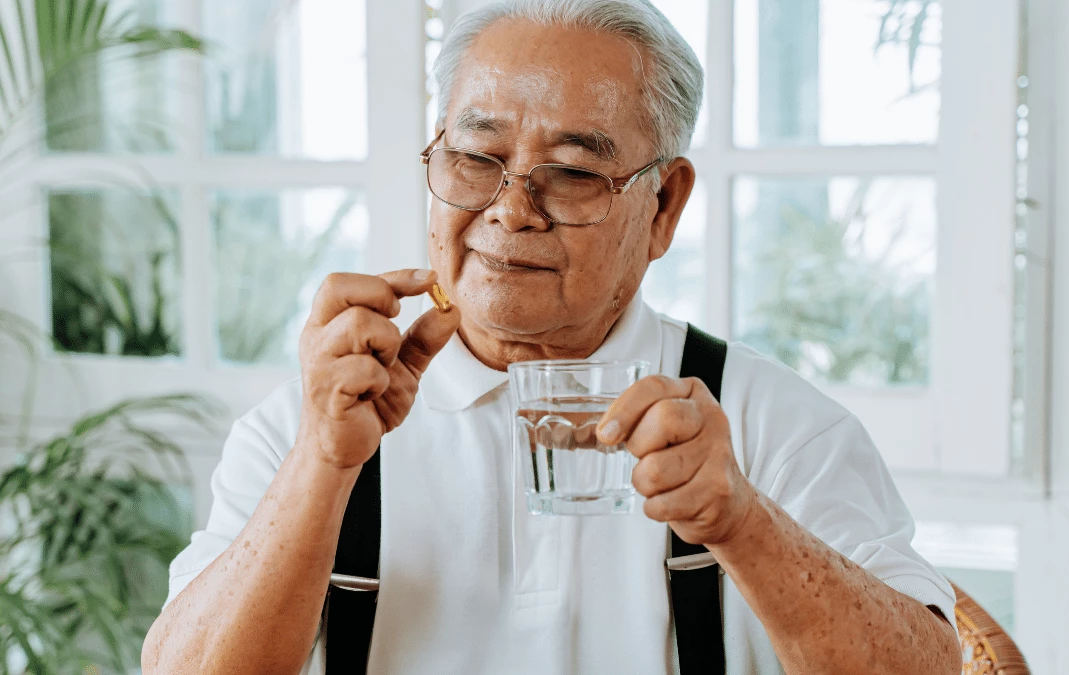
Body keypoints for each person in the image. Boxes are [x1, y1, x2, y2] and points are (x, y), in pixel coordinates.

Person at [141, 1, 963, 673]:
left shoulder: (771, 424)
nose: (510, 209)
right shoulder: (308, 425)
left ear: (664, 206)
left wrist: (743, 520)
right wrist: (323, 463)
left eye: (571, 172)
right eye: (474, 156)